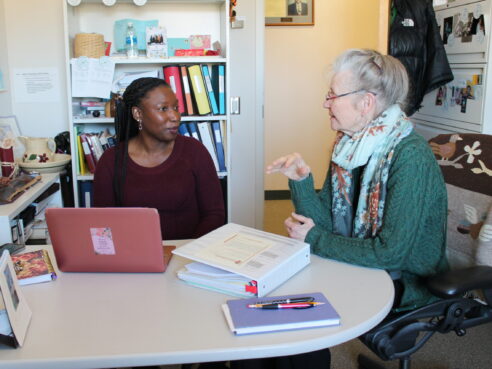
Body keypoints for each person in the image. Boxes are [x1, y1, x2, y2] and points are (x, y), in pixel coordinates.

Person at [93, 77, 225, 240]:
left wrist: (187, 251)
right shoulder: (111, 161)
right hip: (134, 257)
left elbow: (214, 215)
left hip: (187, 255)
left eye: (176, 108)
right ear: (138, 113)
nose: (175, 116)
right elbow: (102, 223)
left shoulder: (194, 152)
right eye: (163, 108)